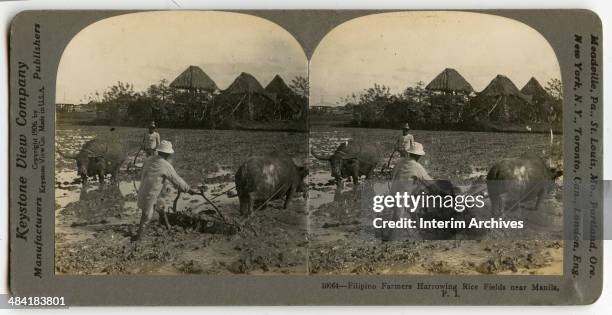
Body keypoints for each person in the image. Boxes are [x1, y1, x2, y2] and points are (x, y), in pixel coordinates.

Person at [134, 140, 198, 241]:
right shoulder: (165, 165)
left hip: (143, 189)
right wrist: (188, 189)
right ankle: (138, 238)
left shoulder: (149, 159)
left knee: (159, 206)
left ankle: (168, 225)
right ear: (167, 154)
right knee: (146, 216)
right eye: (169, 154)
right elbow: (176, 180)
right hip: (150, 194)